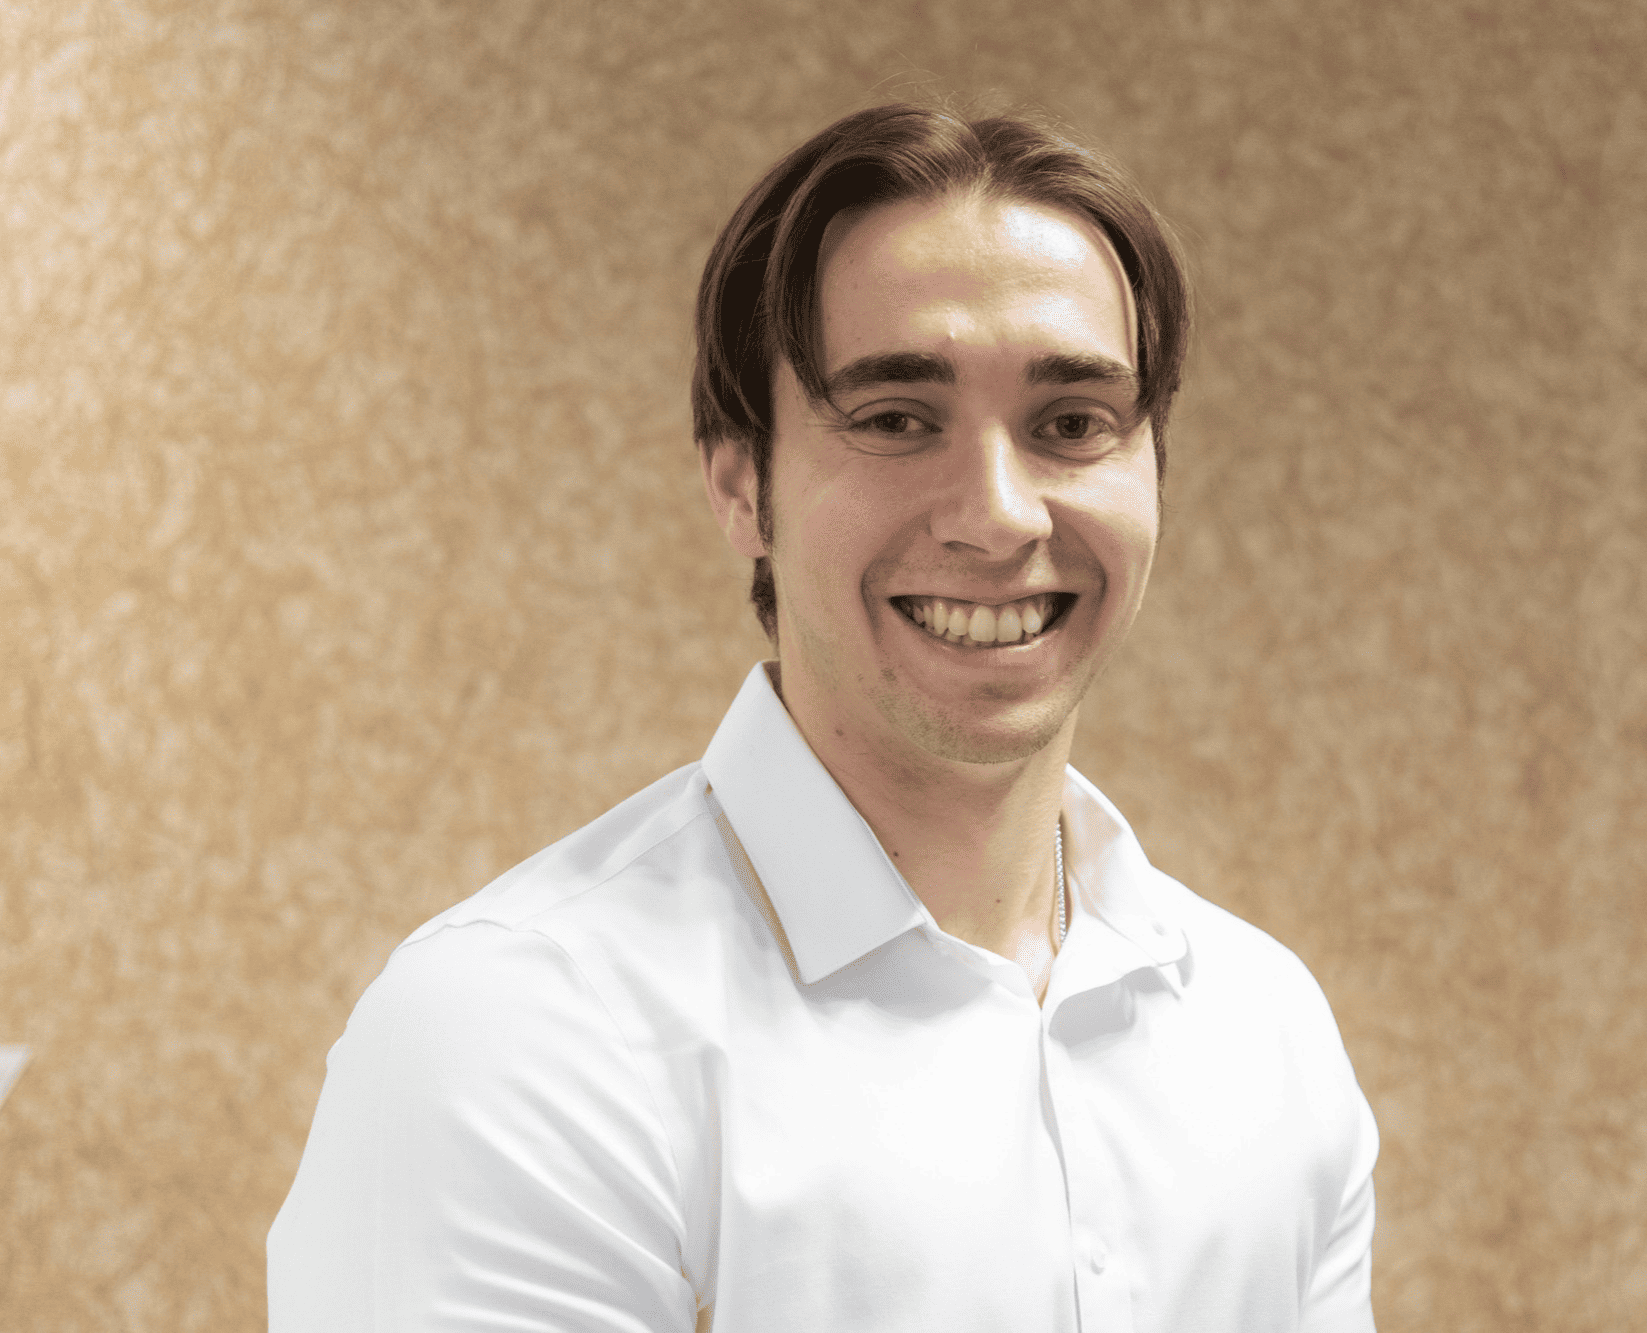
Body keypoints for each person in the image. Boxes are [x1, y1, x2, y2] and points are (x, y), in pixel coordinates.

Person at [269, 101, 1379, 1332]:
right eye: (897, 420)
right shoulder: (514, 1038)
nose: (999, 515)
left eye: (1071, 424)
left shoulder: (1264, 1028)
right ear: (740, 483)